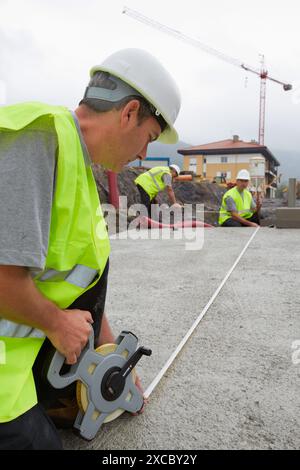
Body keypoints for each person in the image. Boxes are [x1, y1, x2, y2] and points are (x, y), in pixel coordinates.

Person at [0, 48, 181, 450]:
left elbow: (83, 286)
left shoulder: (78, 167)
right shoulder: (38, 138)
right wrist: (56, 323)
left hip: (16, 368)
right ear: (129, 112)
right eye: (148, 138)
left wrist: (112, 358)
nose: (143, 155)